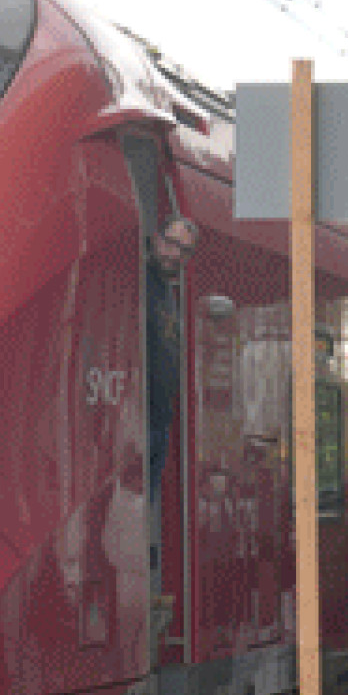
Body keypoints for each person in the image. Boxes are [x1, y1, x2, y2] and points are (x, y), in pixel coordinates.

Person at [145, 217, 197, 511]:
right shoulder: (140, 280)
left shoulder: (167, 291)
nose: (175, 254)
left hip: (159, 419)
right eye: (171, 244)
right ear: (155, 238)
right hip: (140, 421)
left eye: (184, 251)